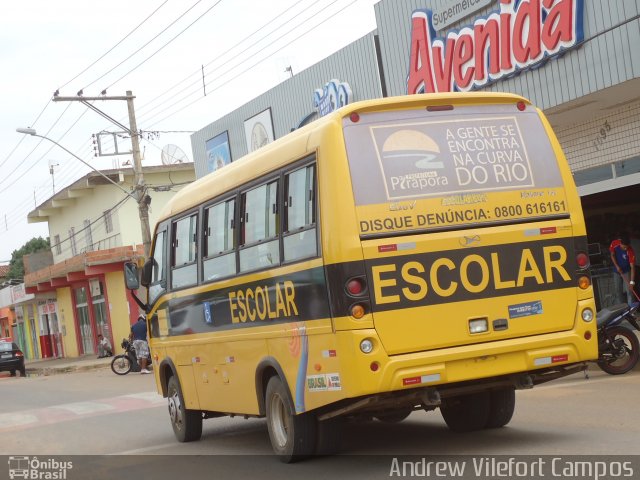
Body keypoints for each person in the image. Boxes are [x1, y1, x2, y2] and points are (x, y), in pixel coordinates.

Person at [609, 234, 636, 305]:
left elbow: (632, 267)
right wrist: (617, 266)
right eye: (624, 247)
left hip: (627, 271)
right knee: (618, 291)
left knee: (630, 291)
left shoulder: (630, 250)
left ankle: (631, 310)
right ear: (620, 243)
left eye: (627, 247)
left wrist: (632, 282)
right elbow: (612, 255)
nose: (625, 249)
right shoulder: (614, 243)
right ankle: (622, 310)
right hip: (616, 271)